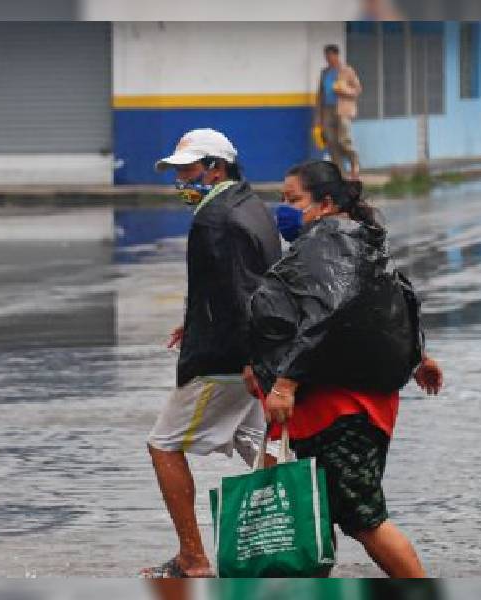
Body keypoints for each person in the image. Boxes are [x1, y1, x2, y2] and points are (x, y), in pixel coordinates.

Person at [250, 160, 443, 578]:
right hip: (351, 400)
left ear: (325, 203)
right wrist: (419, 355)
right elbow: (394, 295)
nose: (283, 209)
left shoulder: (328, 242)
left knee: (361, 516)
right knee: (318, 508)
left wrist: (284, 383)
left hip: (340, 406)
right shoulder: (355, 238)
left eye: (293, 200)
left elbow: (329, 314)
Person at [141, 128, 282, 578]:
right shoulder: (250, 205)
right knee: (262, 448)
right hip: (249, 352)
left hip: (224, 360)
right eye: (178, 171)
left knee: (163, 446)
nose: (180, 180)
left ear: (216, 168)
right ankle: (288, 542)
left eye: (188, 170)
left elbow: (241, 291)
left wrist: (246, 355)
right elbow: (243, 281)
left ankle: (193, 559)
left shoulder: (214, 219)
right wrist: (195, 319)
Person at [315, 44, 362, 179]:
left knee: (343, 140)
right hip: (327, 110)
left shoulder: (347, 71)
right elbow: (320, 95)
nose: (328, 59)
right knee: (331, 141)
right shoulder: (324, 72)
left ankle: (354, 163)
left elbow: (357, 89)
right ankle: (340, 173)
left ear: (336, 55)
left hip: (343, 109)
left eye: (330, 56)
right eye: (326, 56)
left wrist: (344, 90)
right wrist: (318, 118)